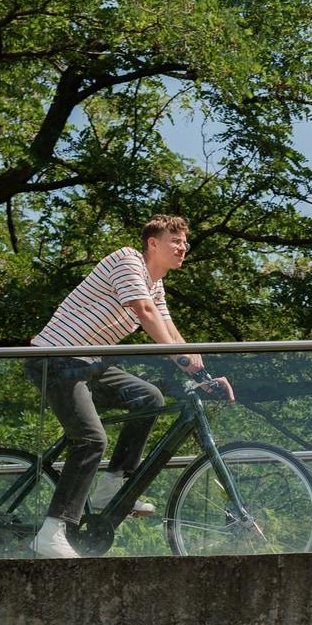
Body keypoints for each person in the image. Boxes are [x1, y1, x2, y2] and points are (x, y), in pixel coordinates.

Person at [29, 215, 232, 558]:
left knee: (148, 396)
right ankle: (51, 531)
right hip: (57, 360)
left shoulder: (155, 283)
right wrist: (180, 359)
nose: (184, 247)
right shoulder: (127, 260)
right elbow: (143, 312)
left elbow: (169, 330)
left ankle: (112, 485)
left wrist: (202, 374)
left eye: (185, 241)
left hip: (90, 364)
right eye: (176, 241)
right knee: (91, 439)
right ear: (153, 243)